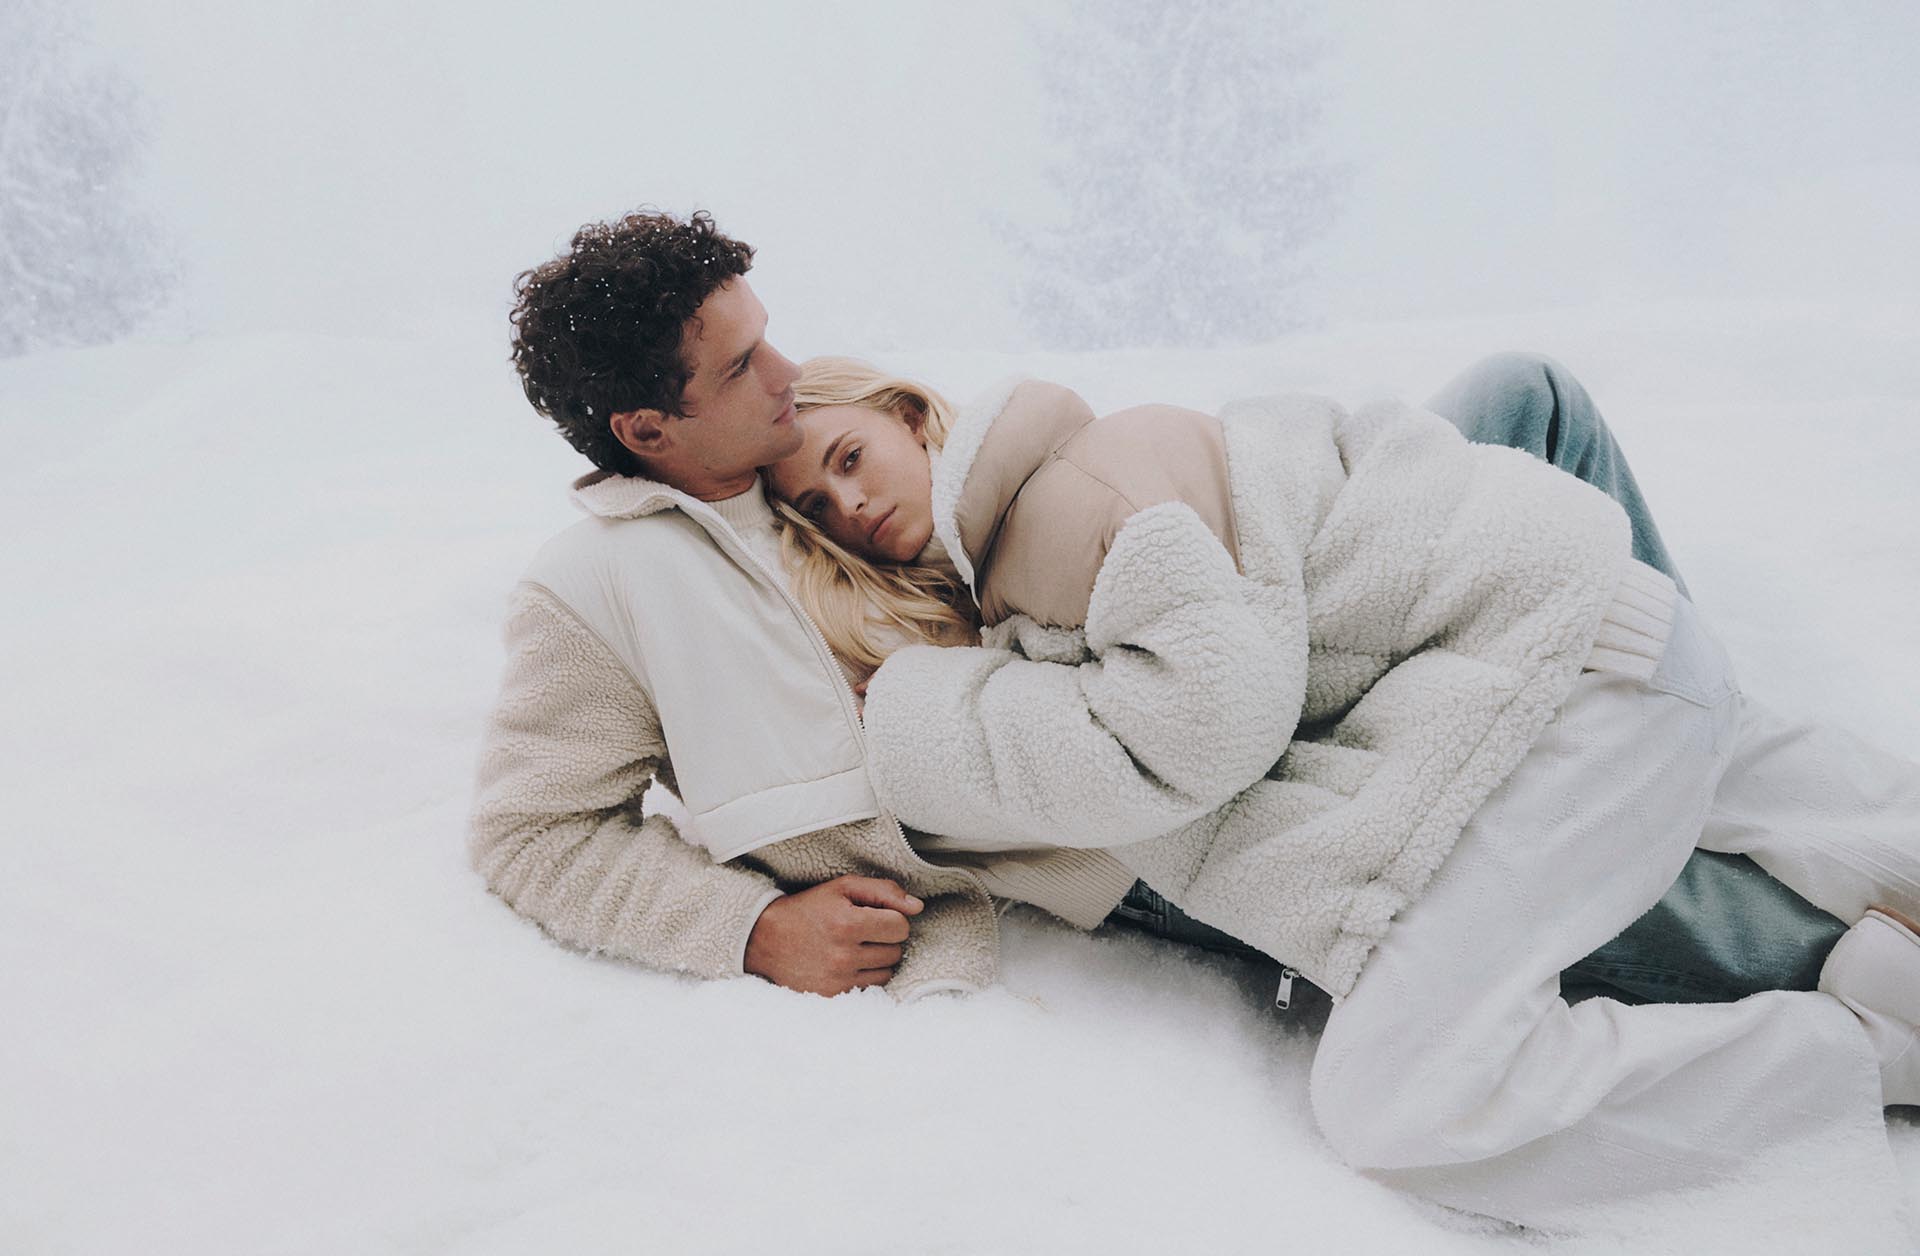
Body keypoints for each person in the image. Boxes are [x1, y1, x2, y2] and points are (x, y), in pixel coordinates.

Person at [472, 207, 1841, 1017]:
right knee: (1513, 871)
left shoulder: (792, 446)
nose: (783, 369)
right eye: (742, 363)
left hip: (1154, 630)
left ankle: (1692, 726)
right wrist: (750, 933)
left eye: (770, 336)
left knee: (1526, 402)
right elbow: (533, 834)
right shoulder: (602, 590)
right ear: (648, 427)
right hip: (1114, 815)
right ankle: (1825, 949)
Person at [762, 356, 1920, 1229]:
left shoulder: (1059, 511)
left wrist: (919, 712)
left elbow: (1217, 716)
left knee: (1398, 1100)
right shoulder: (1039, 514)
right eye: (816, 506)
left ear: (912, 415)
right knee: (1790, 782)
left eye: (850, 459)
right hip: (1590, 637)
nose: (845, 503)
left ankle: (1864, 1045)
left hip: (1566, 686)